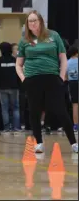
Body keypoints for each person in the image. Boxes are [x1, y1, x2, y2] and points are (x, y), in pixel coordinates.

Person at [16, 10, 78, 153]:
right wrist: (23, 78)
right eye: (29, 21)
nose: (32, 23)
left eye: (34, 20)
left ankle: (74, 143)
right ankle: (39, 142)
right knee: (34, 111)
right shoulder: (24, 40)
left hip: (52, 77)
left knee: (60, 111)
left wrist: (62, 77)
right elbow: (18, 64)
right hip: (32, 79)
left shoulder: (53, 35)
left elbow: (63, 58)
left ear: (41, 21)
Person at [0, 42, 21, 133]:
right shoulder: (15, 60)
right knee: (15, 108)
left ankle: (6, 128)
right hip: (14, 88)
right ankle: (16, 128)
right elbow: (19, 74)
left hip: (2, 88)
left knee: (5, 108)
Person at [67, 45, 78, 132]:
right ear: (76, 53)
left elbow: (65, 76)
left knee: (75, 104)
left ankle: (75, 125)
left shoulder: (67, 62)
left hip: (72, 83)